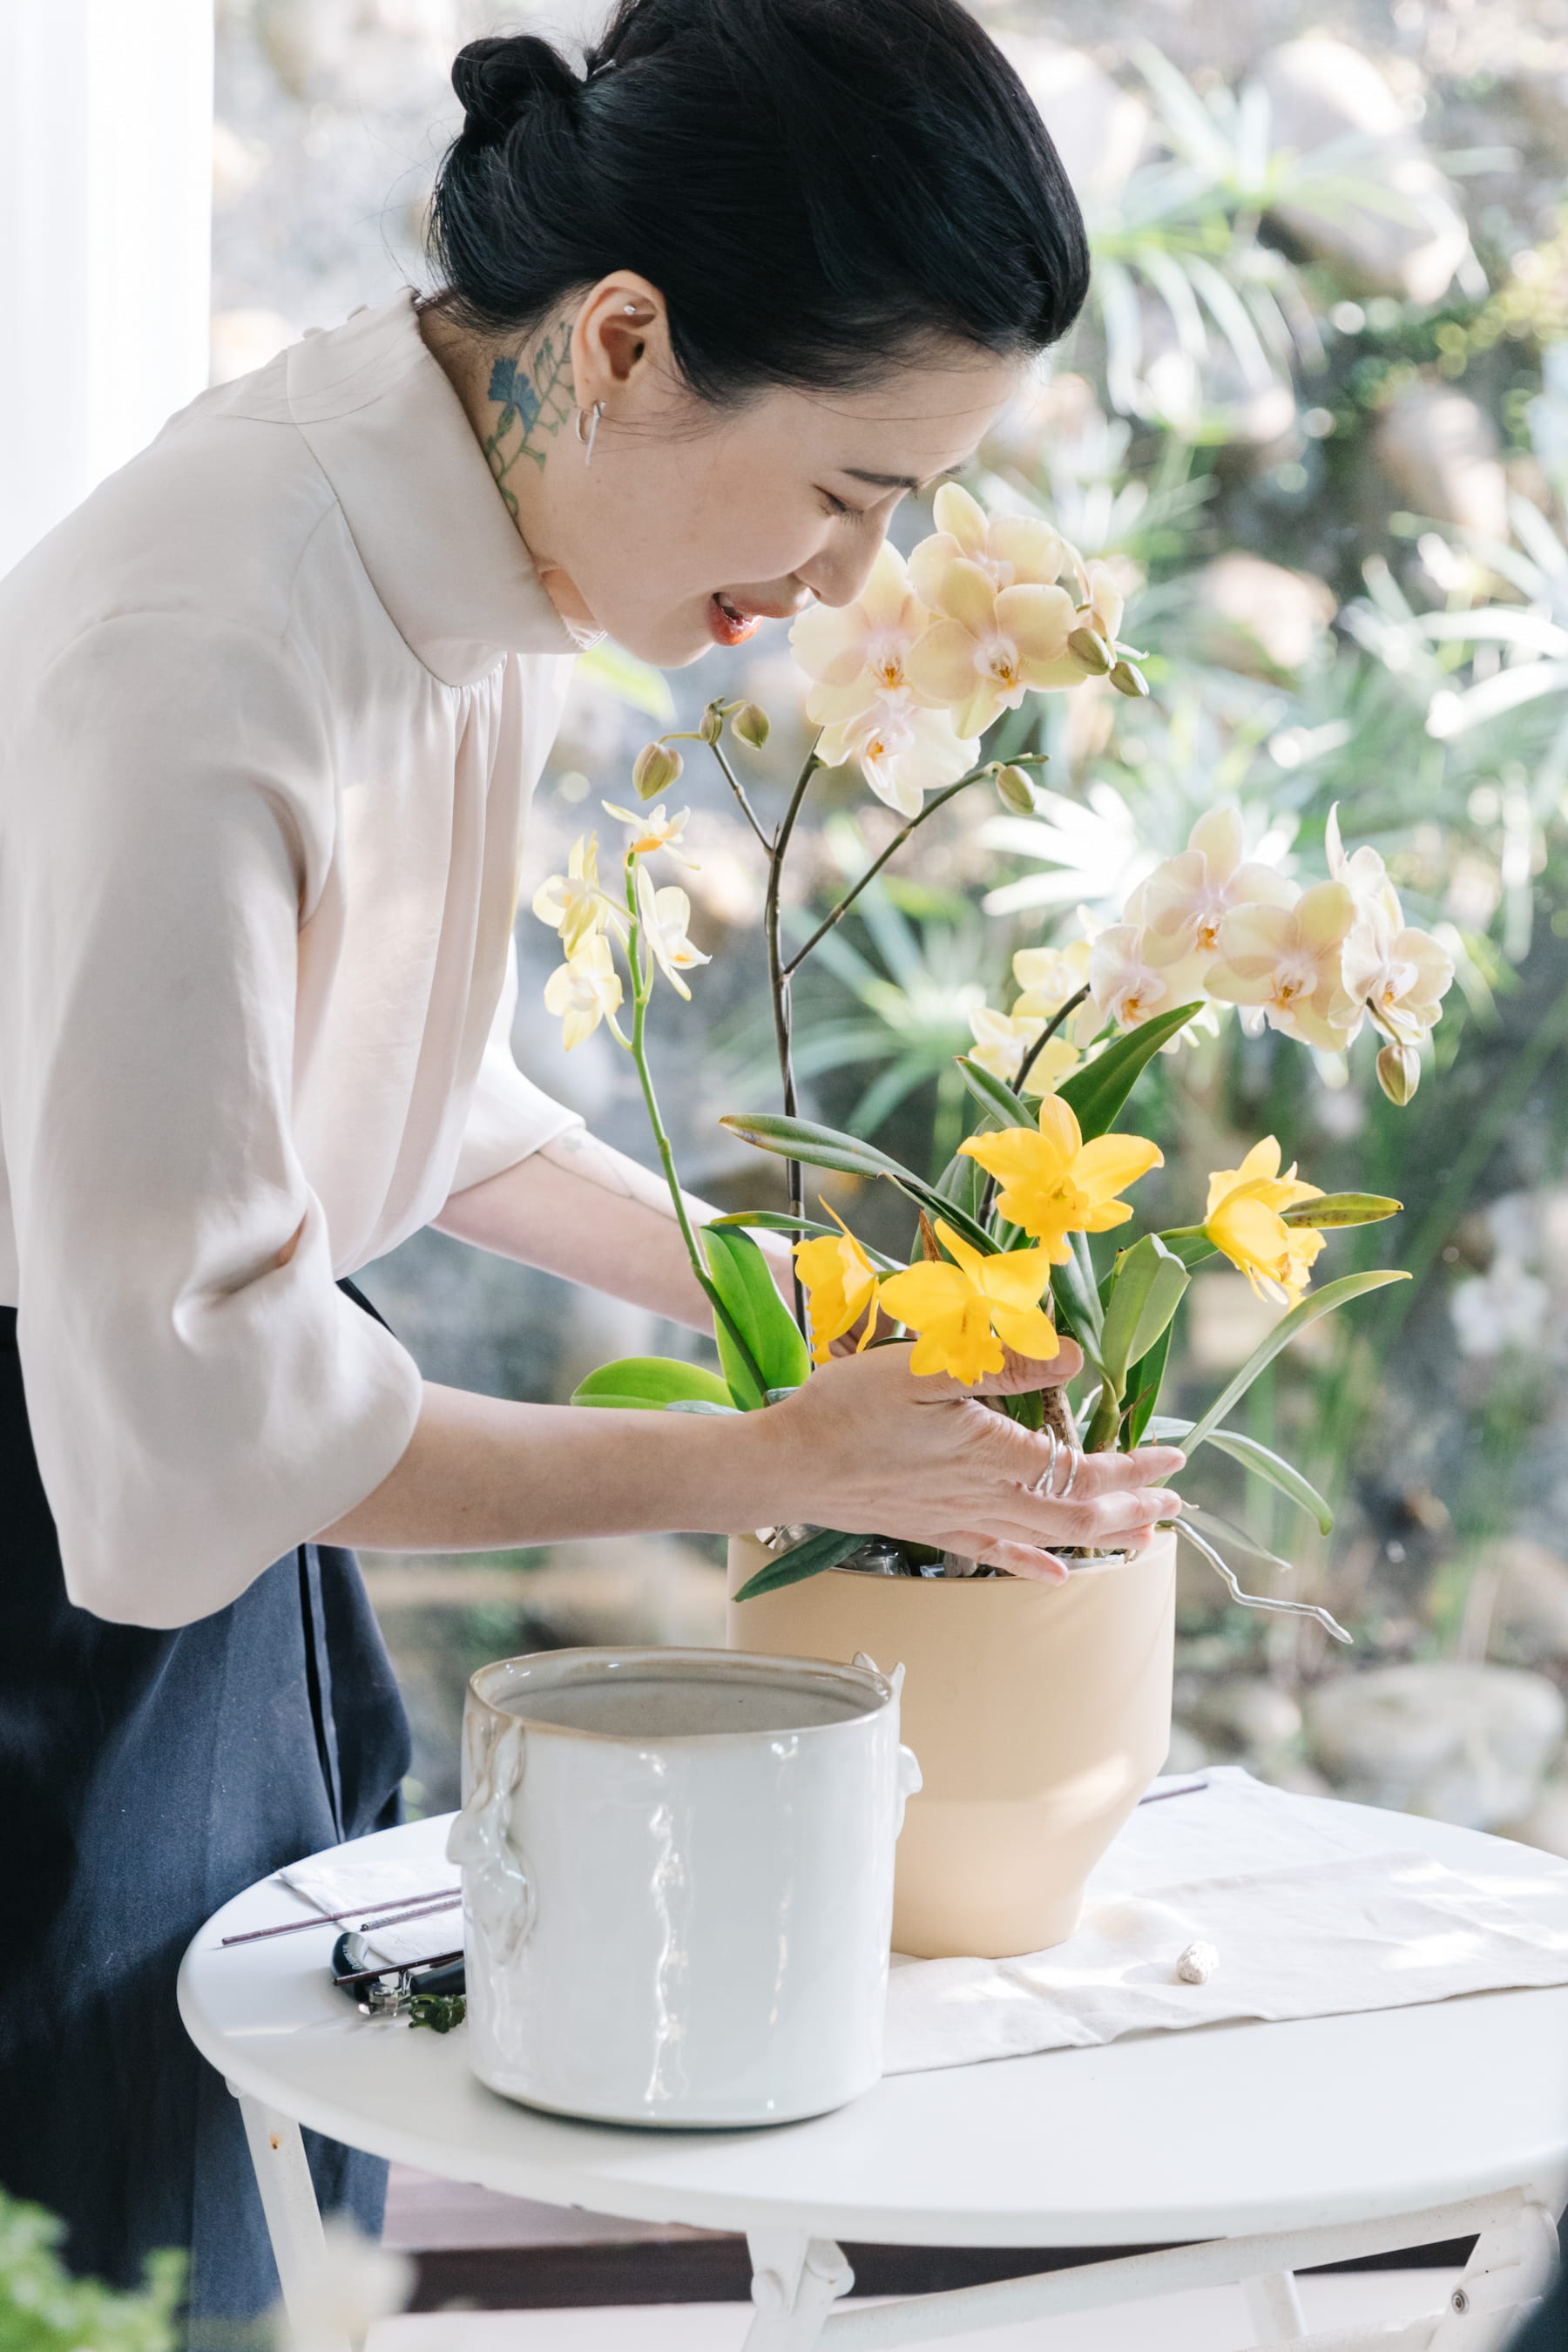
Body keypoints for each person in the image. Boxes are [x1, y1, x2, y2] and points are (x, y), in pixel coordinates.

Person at [0, 0, 1184, 2335]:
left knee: (280, 2229)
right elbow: (190, 1416)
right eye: (848, 494)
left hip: (215, 1583)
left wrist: (778, 1285)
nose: (844, 588)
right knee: (131, 2273)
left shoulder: (475, 530)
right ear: (626, 338)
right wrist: (766, 1449)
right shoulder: (218, 642)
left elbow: (404, 1104)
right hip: (56, 1574)